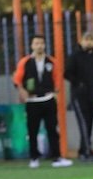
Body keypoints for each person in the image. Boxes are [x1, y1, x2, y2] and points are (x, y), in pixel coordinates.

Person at [12, 34, 72, 169]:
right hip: (32, 100)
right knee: (32, 130)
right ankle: (34, 158)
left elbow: (57, 78)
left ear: (44, 45)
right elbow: (17, 79)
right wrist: (22, 91)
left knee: (52, 129)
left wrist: (55, 92)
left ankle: (56, 157)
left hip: (48, 99)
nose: (39, 46)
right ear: (32, 46)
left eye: (41, 43)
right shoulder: (25, 62)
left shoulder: (51, 61)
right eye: (36, 43)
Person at [64, 32, 93, 162]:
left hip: (92, 95)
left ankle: (83, 149)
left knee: (89, 123)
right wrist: (79, 84)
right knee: (84, 123)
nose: (89, 42)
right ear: (81, 41)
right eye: (86, 39)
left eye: (91, 40)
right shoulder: (75, 56)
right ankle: (87, 151)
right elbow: (67, 73)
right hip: (79, 96)